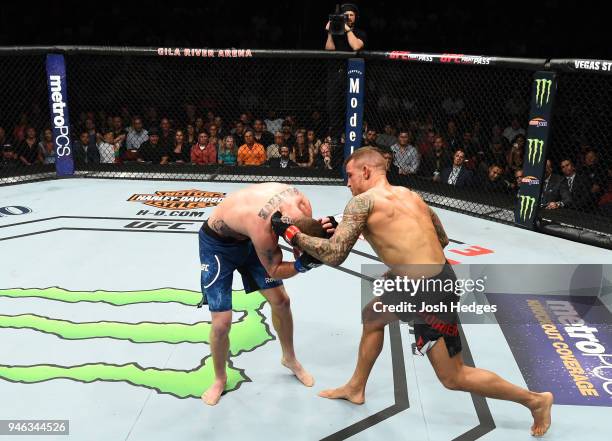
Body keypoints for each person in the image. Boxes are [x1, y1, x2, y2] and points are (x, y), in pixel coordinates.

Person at [273, 147, 553, 437]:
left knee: (453, 376)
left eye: (350, 175)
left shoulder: (362, 202)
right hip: (431, 279)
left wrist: (290, 233)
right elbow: (441, 239)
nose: (347, 183)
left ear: (366, 171)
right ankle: (356, 388)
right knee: (373, 316)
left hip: (429, 292)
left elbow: (334, 254)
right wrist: (401, 265)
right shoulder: (410, 194)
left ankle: (535, 400)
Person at [199, 183, 327, 405]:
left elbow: (301, 241)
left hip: (247, 239)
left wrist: (305, 253)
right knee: (221, 323)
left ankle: (289, 358)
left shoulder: (303, 205)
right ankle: (219, 379)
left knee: (282, 301)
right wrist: (301, 266)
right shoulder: (262, 228)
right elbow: (274, 269)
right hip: (217, 246)